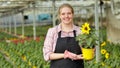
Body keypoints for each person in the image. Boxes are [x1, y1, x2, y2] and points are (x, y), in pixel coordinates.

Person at [43, 3, 84, 68]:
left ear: (73, 14)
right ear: (59, 16)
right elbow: (47, 55)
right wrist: (66, 55)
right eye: (63, 14)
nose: (66, 16)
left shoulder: (80, 31)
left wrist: (90, 50)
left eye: (69, 13)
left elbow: (86, 54)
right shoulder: (53, 31)